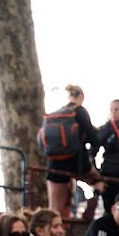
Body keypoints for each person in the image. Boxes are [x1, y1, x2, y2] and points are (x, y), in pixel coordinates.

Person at [41, 85, 102, 218]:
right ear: (81, 96)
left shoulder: (57, 114)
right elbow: (94, 138)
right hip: (77, 162)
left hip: (54, 164)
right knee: (100, 182)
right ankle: (90, 208)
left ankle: (52, 231)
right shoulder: (80, 112)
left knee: (54, 209)